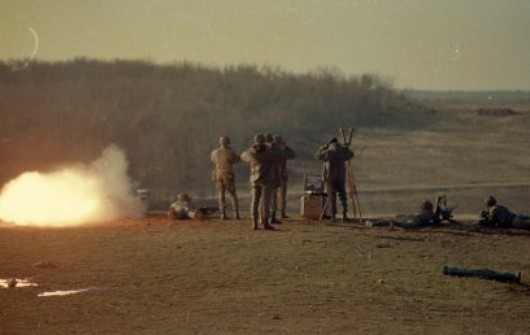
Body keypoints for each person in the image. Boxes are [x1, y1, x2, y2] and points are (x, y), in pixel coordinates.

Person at [241, 134, 278, 230]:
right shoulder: (269, 152)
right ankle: (265, 222)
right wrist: (271, 146)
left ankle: (254, 223)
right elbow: (279, 156)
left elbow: (243, 156)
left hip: (255, 178)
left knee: (255, 201)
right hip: (266, 179)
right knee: (265, 202)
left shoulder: (251, 152)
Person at [314, 137, 354, 222]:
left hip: (330, 176)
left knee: (332, 196)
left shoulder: (328, 152)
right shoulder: (342, 151)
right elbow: (351, 154)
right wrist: (346, 148)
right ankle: (344, 215)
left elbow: (317, 156)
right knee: (342, 195)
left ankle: (333, 216)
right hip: (341, 176)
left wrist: (322, 148)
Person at [210, 136, 241, 220]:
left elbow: (213, 160)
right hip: (227, 173)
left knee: (221, 194)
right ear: (228, 142)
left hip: (218, 173)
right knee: (233, 194)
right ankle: (236, 213)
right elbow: (237, 160)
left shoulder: (214, 152)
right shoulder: (229, 151)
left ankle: (222, 214)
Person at [273, 135, 296, 219]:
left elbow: (292, 155)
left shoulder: (272, 150)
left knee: (278, 195)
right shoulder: (281, 151)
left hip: (277, 173)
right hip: (279, 173)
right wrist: (286, 147)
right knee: (280, 195)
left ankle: (278, 212)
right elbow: (292, 155)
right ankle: (280, 212)